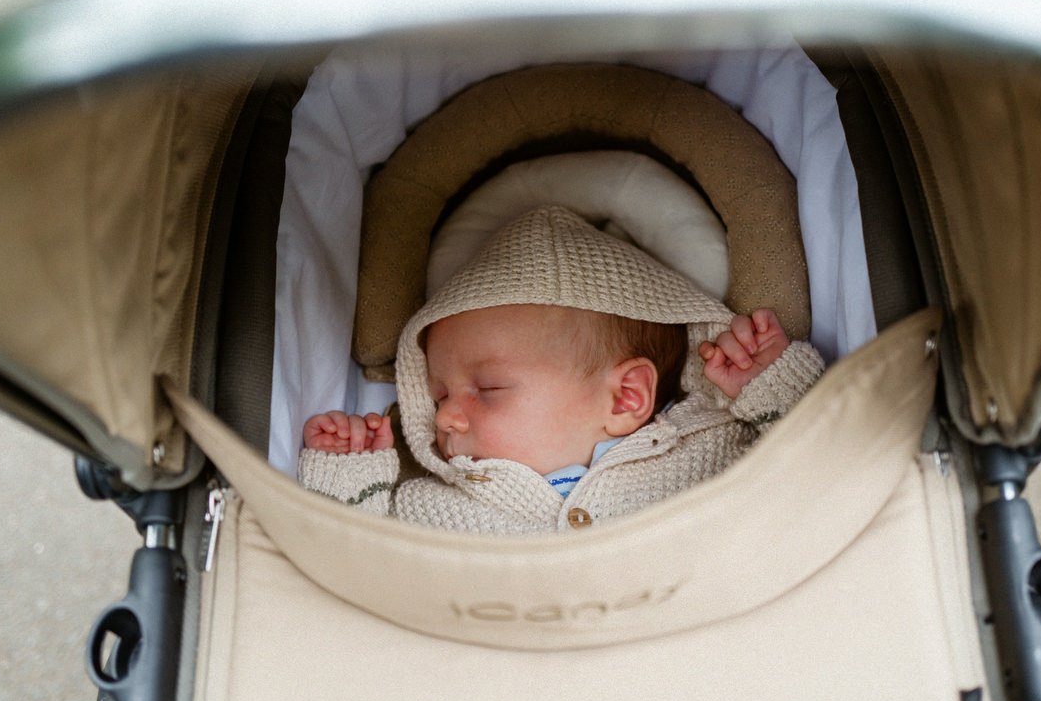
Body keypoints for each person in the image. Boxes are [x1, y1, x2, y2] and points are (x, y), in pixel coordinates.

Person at [298, 205, 825, 534]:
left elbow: (820, 473)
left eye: (488, 388)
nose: (447, 419)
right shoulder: (431, 507)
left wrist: (770, 384)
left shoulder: (707, 457)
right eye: (437, 397)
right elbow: (353, 564)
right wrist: (351, 479)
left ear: (624, 399)